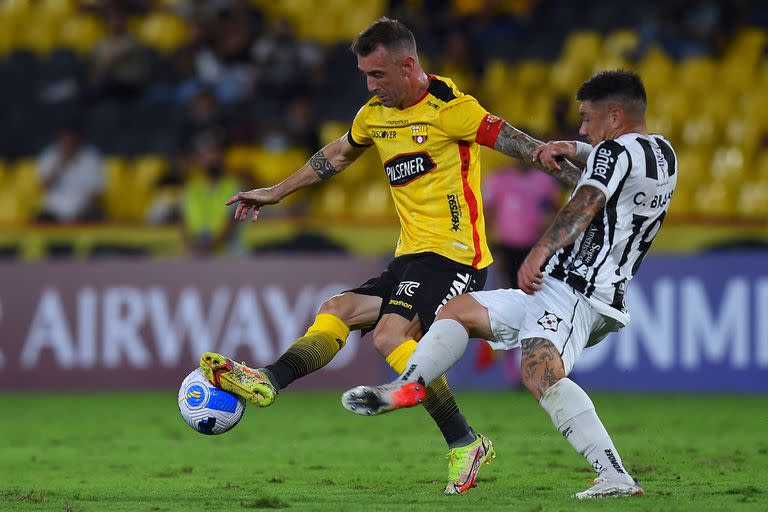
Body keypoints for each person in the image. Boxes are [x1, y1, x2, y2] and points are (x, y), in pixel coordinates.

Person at [199, 17, 581, 495]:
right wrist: (276, 192)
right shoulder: (373, 115)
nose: (370, 85)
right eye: (364, 75)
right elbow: (335, 156)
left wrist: (562, 166)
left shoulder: (451, 108)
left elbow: (516, 142)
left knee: (388, 336)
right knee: (337, 310)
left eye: (377, 75)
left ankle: (464, 441)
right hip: (409, 257)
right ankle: (269, 381)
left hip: (456, 256)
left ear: (408, 65)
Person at [341, 70, 677, 500]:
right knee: (457, 310)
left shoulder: (612, 153)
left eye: (587, 119)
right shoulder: (661, 153)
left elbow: (587, 199)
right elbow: (610, 163)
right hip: (582, 289)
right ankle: (411, 384)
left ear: (614, 117)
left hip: (580, 289)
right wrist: (572, 148)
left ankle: (614, 474)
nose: (581, 128)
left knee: (539, 371)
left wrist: (539, 252)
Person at [36, 124, 106, 223]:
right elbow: (43, 187)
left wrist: (81, 210)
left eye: (72, 141)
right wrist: (60, 165)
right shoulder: (49, 156)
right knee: (40, 219)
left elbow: (97, 192)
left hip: (83, 210)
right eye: (65, 141)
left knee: (97, 216)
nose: (68, 144)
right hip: (54, 211)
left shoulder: (91, 157)